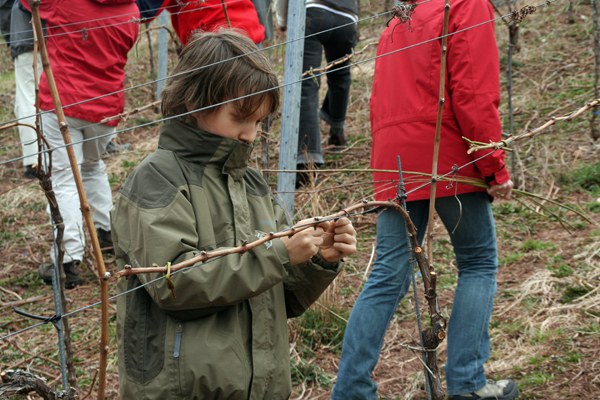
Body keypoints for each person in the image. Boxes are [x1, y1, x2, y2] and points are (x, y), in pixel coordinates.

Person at [111, 30, 357, 399]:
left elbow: (280, 298)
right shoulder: (156, 180)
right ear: (194, 101)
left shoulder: (251, 185)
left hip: (259, 387)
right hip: (184, 391)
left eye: (259, 122)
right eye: (240, 117)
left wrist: (317, 260)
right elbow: (173, 285)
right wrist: (278, 254)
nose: (249, 134)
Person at [332, 1, 518, 400]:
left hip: (395, 158)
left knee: (387, 274)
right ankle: (468, 383)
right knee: (478, 261)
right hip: (447, 152)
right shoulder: (466, 6)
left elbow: (379, 101)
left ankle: (350, 390)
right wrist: (494, 166)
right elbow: (473, 91)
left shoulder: (399, 20)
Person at [19, 0, 139, 288]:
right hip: (106, 106)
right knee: (92, 166)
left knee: (61, 178)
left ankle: (67, 258)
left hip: (63, 103)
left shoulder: (64, 2)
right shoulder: (131, 10)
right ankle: (106, 231)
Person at [275, 0, 358, 186]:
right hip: (348, 15)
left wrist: (282, 19)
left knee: (306, 85)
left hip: (315, 10)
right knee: (341, 76)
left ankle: (307, 160)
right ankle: (337, 132)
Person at [0, 0, 41, 179]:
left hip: (25, 35)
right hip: (36, 35)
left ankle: (34, 159)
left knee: (27, 98)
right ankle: (35, 160)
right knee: (29, 98)